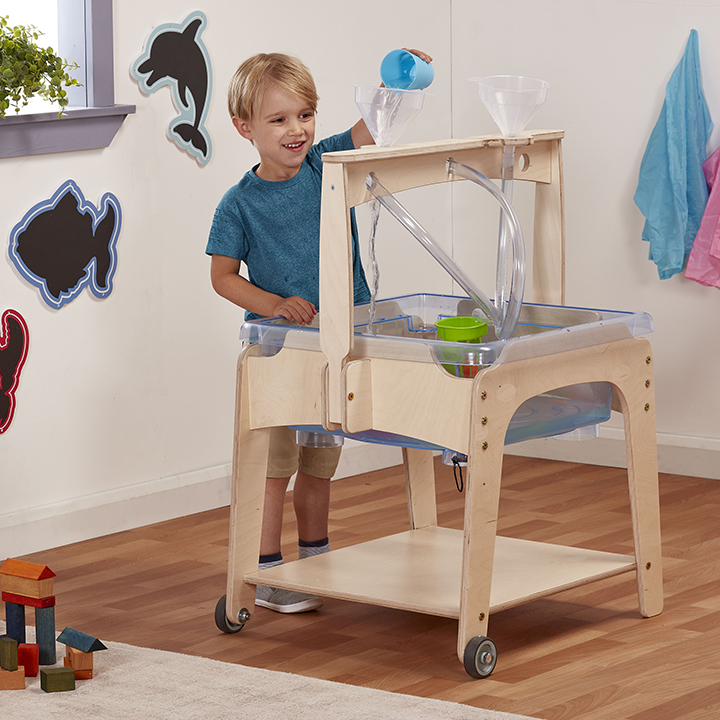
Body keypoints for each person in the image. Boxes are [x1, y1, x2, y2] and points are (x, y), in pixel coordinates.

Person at [206, 50, 431, 614]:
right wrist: (275, 304)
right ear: (245, 127)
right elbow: (222, 277)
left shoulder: (327, 163)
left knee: (319, 461)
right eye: (279, 119)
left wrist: (395, 80)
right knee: (274, 465)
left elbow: (373, 127)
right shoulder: (239, 205)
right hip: (282, 354)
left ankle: (314, 559)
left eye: (304, 115)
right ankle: (267, 569)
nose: (296, 130)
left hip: (337, 345)